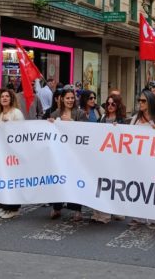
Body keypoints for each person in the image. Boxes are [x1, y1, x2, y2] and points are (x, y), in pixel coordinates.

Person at [128, 89, 155, 229]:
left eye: (143, 101)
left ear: (150, 102)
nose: (140, 103)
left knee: (152, 188)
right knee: (137, 186)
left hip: (152, 161)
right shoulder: (135, 119)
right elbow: (128, 134)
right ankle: (138, 217)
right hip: (137, 160)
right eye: (139, 100)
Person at [48, 88, 88, 220]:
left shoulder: (80, 113)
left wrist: (71, 123)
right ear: (62, 99)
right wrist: (49, 123)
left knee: (75, 180)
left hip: (75, 154)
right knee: (58, 179)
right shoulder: (55, 113)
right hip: (60, 153)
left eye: (72, 98)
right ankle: (56, 207)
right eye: (67, 98)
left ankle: (76, 209)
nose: (70, 100)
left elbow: (85, 130)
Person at [90, 94, 128, 224]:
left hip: (115, 157)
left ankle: (107, 214)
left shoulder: (121, 120)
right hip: (102, 156)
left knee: (110, 185)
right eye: (108, 104)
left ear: (118, 106)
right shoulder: (102, 118)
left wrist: (119, 129)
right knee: (99, 184)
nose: (110, 106)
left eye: (113, 104)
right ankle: (97, 213)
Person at [0, 88, 26, 219]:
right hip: (0, 154)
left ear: (11, 99)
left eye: (7, 96)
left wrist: (9, 124)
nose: (4, 98)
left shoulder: (16, 113)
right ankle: (4, 207)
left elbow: (21, 130)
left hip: (12, 154)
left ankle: (13, 208)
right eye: (2, 96)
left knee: (11, 179)